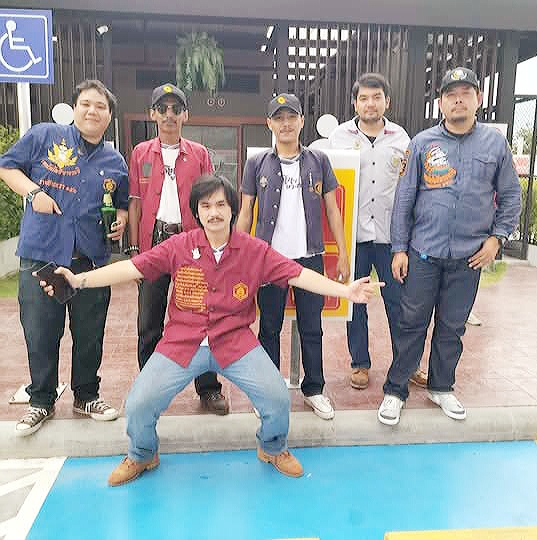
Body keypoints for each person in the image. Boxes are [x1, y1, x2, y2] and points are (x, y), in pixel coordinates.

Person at [36, 175, 383, 485]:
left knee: (277, 397)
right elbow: (131, 268)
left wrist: (345, 291)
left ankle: (272, 447)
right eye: (205, 206)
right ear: (196, 213)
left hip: (235, 341)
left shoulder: (254, 251)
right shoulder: (178, 246)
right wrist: (79, 280)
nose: (214, 212)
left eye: (220, 205)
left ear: (232, 210)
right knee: (139, 403)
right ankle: (142, 454)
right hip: (182, 341)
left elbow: (299, 274)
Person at [377, 67, 521, 425]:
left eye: (465, 93)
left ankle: (441, 387)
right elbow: (404, 199)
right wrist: (399, 249)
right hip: (423, 254)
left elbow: (510, 196)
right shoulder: (422, 143)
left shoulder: (495, 145)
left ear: (478, 99)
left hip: (469, 258)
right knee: (411, 323)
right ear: (440, 103)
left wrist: (497, 238)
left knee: (452, 327)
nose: (458, 100)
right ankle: (396, 390)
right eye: (451, 95)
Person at [0, 79, 128, 436]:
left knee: (90, 333)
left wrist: (120, 221)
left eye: (101, 106)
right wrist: (33, 193)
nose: (92, 111)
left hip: (89, 260)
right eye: (86, 104)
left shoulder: (115, 161)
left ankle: (86, 395)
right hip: (42, 254)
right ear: (74, 109)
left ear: (109, 116)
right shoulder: (45, 136)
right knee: (41, 331)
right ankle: (41, 400)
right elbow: (7, 167)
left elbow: (121, 205)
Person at [237, 93, 350, 420]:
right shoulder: (257, 163)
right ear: (269, 124)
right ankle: (269, 392)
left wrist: (343, 253)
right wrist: (238, 257)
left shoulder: (319, 161)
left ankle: (314, 389)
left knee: (312, 327)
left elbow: (332, 210)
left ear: (302, 121)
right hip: (269, 261)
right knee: (269, 327)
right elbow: (246, 212)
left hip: (309, 258)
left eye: (291, 117)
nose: (285, 124)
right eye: (279, 118)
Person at [127, 83, 228, 415]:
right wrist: (135, 249)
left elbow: (210, 201)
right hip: (154, 244)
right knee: (149, 322)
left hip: (190, 245)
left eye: (176, 109)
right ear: (152, 114)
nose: (169, 115)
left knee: (200, 318)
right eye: (162, 108)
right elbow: (135, 203)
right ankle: (149, 389)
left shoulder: (198, 154)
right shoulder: (141, 153)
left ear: (185, 115)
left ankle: (208, 388)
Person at [329, 73, 427, 390]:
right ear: (354, 103)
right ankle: (359, 363)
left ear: (387, 101)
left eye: (376, 97)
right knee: (355, 303)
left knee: (399, 304)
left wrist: (407, 241)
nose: (370, 103)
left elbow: (410, 189)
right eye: (364, 98)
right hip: (354, 236)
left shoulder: (402, 139)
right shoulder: (339, 137)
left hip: (391, 238)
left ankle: (407, 364)